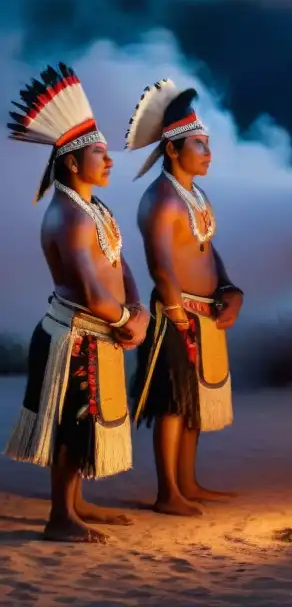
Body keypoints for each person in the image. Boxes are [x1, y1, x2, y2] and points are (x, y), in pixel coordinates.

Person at [4, 63, 150, 542]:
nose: (109, 162)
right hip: (73, 334)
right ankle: (59, 518)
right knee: (72, 425)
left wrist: (138, 310)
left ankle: (77, 502)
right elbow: (89, 292)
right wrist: (131, 319)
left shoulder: (94, 208)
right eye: (99, 155)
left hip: (99, 328)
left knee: (83, 422)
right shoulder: (69, 217)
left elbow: (120, 263)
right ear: (71, 163)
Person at [126, 80, 243, 516]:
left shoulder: (196, 195)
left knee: (194, 404)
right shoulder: (159, 200)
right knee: (173, 403)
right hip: (176, 314)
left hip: (205, 313)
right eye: (199, 145)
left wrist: (231, 289)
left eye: (208, 144)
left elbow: (207, 250)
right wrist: (176, 315)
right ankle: (167, 492)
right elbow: (160, 265)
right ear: (173, 150)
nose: (208, 153)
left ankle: (188, 482)